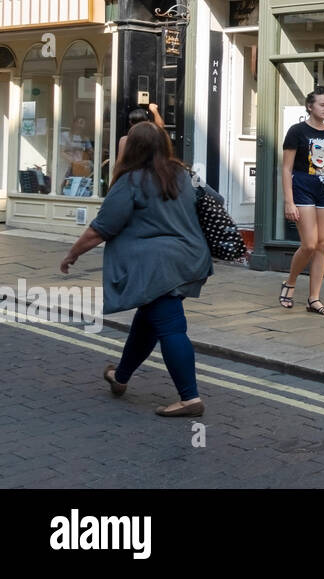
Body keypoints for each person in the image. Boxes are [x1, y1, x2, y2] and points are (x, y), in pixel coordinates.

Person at [59, 122, 212, 417]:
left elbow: (101, 229)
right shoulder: (184, 174)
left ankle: (190, 398)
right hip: (189, 259)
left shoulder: (132, 181)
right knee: (149, 320)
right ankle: (121, 376)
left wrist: (72, 254)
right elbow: (212, 203)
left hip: (156, 267)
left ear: (134, 149)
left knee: (171, 327)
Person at [279, 87, 324, 315]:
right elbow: (286, 168)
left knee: (323, 245)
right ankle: (290, 282)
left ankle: (314, 298)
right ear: (310, 107)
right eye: (322, 104)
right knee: (309, 244)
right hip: (303, 189)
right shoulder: (297, 131)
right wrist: (289, 201)